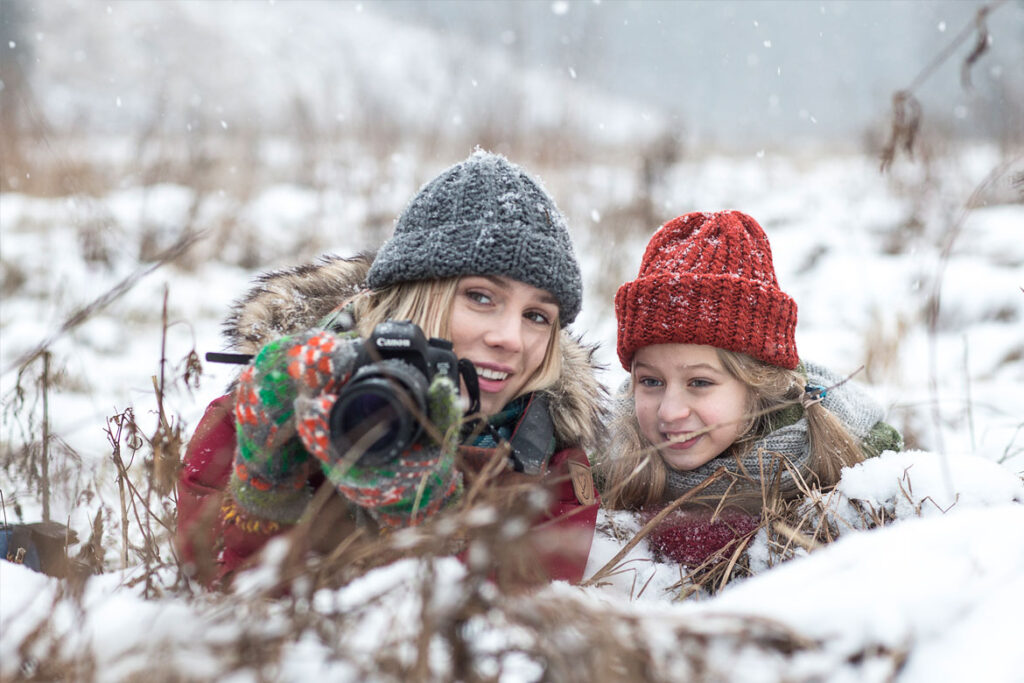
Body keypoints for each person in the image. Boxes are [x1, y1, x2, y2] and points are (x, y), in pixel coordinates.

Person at [176, 151, 604, 588]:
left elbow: (513, 618)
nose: (511, 338)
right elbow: (219, 591)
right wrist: (267, 483)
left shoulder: (550, 460)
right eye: (481, 297)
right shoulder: (271, 403)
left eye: (537, 316)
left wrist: (425, 517)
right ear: (415, 296)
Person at [599, 210, 902, 569]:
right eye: (651, 382)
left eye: (699, 383)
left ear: (758, 384)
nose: (669, 411)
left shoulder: (852, 463)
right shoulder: (606, 459)